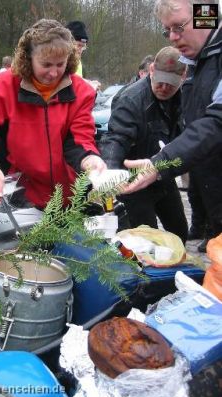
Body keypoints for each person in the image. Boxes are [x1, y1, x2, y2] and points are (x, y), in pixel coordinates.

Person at [0, 19, 106, 209]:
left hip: (71, 196)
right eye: (46, 65)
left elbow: (80, 139)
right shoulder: (1, 88)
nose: (54, 73)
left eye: (60, 64)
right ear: (28, 59)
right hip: (22, 197)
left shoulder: (81, 91)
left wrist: (90, 158)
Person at [121, 0, 222, 241]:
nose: (173, 37)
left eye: (179, 26)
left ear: (204, 15)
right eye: (167, 30)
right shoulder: (198, 64)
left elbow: (217, 123)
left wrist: (160, 164)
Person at [100, 46, 188, 243]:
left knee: (180, 231)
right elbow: (116, 138)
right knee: (147, 239)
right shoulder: (130, 99)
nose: (164, 88)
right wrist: (109, 173)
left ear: (183, 77)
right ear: (151, 70)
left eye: (171, 84)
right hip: (134, 179)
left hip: (162, 172)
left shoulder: (184, 97)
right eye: (160, 81)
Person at [66, 20, 101, 91]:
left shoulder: (77, 62)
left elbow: (75, 80)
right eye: (78, 45)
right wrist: (88, 86)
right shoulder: (61, 61)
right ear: (68, 43)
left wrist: (88, 82)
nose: (81, 50)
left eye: (83, 47)